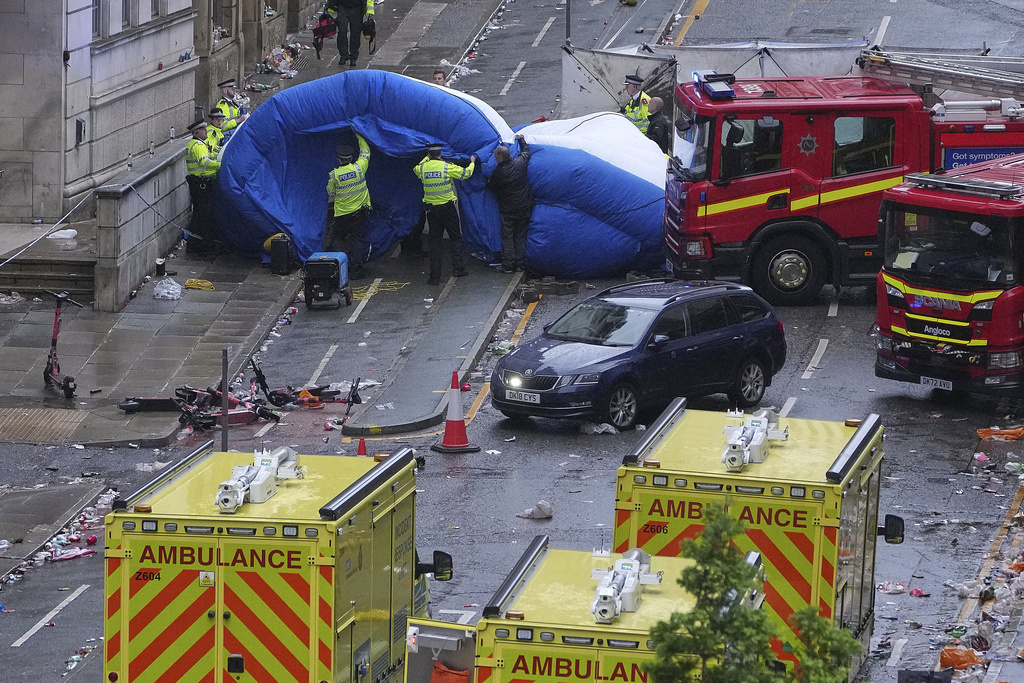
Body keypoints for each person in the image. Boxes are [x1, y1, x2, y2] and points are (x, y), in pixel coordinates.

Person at [413, 143, 477, 285]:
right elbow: (465, 174)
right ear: (441, 153)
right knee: (455, 238)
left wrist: (426, 157)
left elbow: (416, 168)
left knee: (435, 242)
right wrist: (472, 163)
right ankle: (458, 268)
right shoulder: (447, 167)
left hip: (432, 211)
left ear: (429, 154)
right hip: (447, 209)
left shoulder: (422, 168)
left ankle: (434, 277)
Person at [402, 69, 450, 257]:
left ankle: (418, 248)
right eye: (435, 78)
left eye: (440, 79)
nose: (437, 81)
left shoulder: (448, 98)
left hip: (432, 201)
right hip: (437, 203)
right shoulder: (443, 167)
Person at [326, 133, 372, 280]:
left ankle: (336, 267)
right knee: (358, 240)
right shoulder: (359, 168)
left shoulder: (334, 175)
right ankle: (356, 270)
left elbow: (330, 192)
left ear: (339, 158)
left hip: (341, 215)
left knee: (338, 239)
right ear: (351, 158)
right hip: (359, 213)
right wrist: (359, 133)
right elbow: (366, 152)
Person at [487, 134, 533, 272]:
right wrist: (521, 140)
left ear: (500, 158)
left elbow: (491, 186)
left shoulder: (498, 173)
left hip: (508, 210)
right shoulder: (520, 163)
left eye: (496, 157)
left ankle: (508, 264)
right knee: (520, 235)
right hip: (525, 206)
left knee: (507, 236)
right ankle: (520, 264)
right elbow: (527, 152)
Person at [184, 119, 221, 255]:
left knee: (200, 215)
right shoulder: (198, 145)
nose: (206, 132)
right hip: (201, 185)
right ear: (197, 132)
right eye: (204, 130)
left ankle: (197, 243)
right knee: (204, 215)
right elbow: (205, 163)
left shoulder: (195, 144)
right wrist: (221, 165)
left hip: (198, 184)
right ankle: (203, 245)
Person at [327, 0, 374, 68]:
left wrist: (369, 11)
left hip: (357, 8)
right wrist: (331, 6)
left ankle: (353, 57)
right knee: (342, 32)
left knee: (355, 33)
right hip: (342, 7)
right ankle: (343, 56)